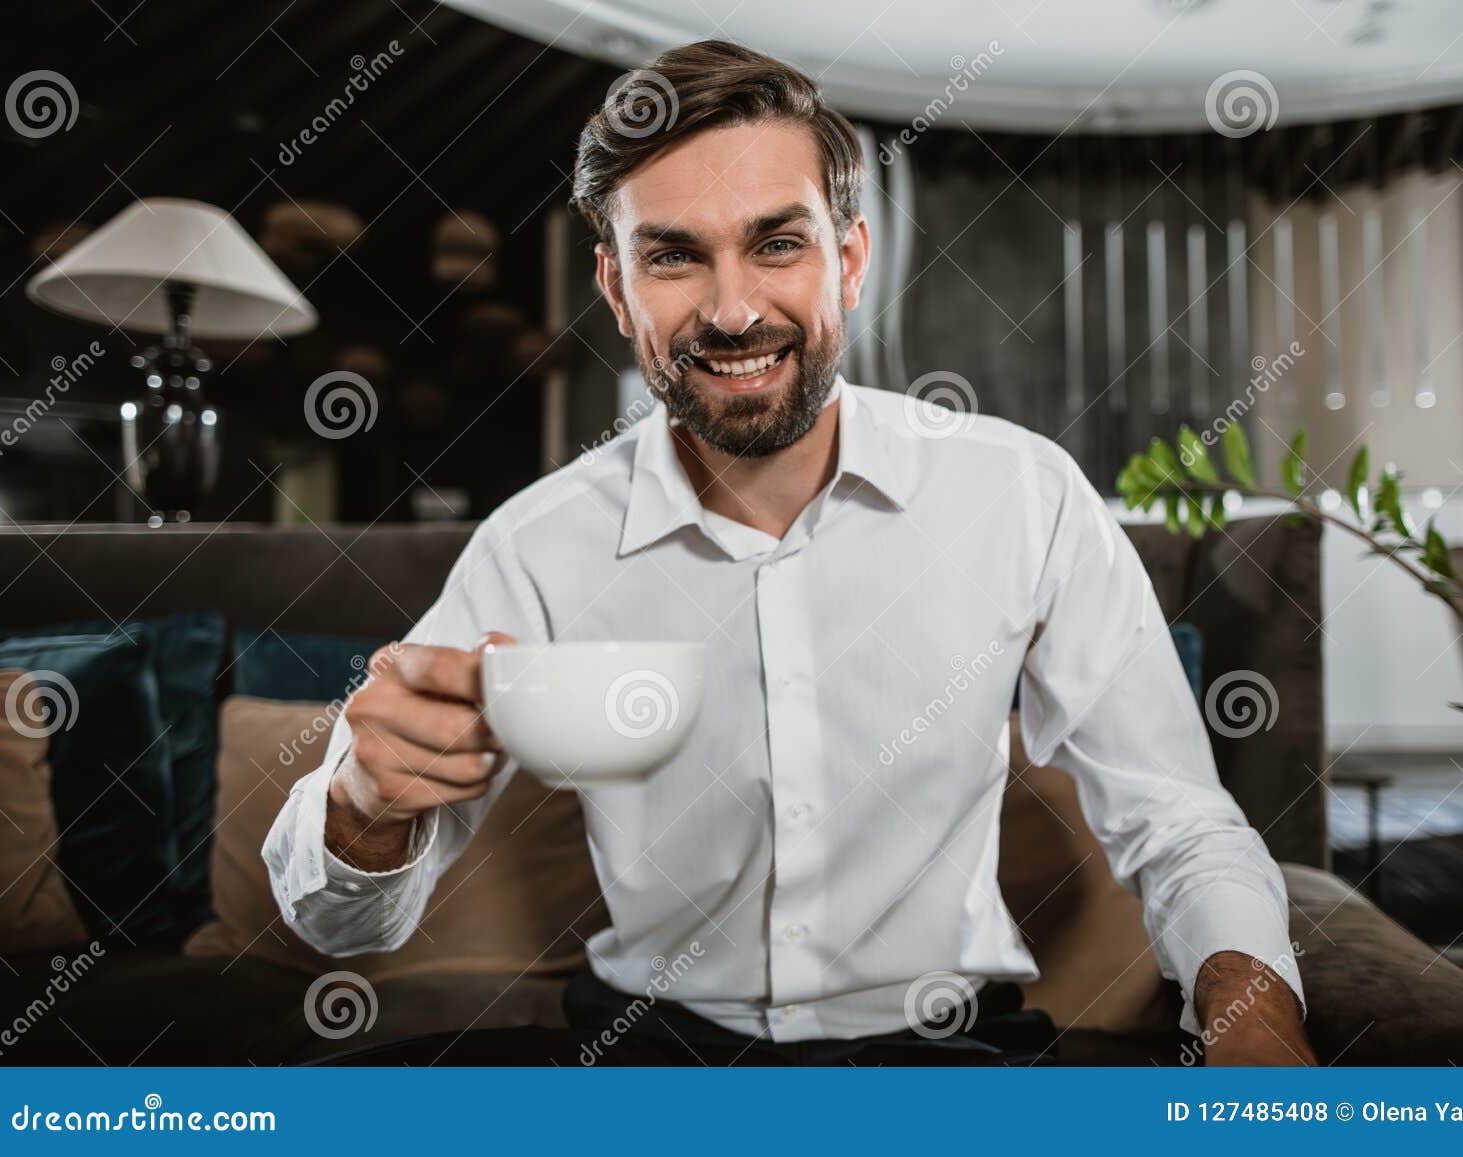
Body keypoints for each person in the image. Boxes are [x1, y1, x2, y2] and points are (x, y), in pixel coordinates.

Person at [263, 39, 1312, 1066]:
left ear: (848, 259)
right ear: (618, 289)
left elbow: (1176, 819)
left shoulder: (1020, 494)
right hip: (649, 1059)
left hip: (946, 1054)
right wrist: (361, 805)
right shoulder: (536, 544)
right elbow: (348, 929)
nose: (731, 309)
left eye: (777, 243)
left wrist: (1254, 1023)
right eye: (672, 255)